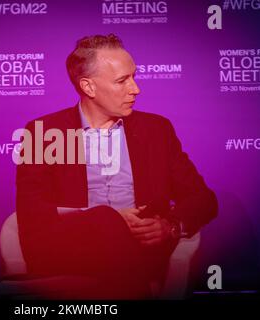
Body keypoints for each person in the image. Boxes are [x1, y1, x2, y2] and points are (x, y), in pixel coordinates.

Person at [15, 34, 217, 299]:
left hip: (142, 253)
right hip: (72, 253)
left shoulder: (156, 130)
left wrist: (170, 226)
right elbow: (33, 213)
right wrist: (106, 219)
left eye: (134, 77)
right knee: (107, 222)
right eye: (122, 80)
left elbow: (203, 200)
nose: (136, 89)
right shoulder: (45, 132)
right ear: (88, 87)